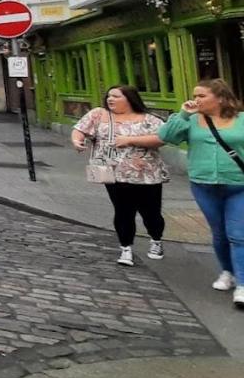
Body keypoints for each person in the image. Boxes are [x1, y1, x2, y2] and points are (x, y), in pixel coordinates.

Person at [120, 79, 244, 308]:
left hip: (238, 184)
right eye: (195, 95)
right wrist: (183, 115)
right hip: (204, 183)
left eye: (202, 96)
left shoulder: (241, 120)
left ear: (220, 97)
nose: (196, 100)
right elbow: (165, 136)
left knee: (237, 234)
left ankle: (242, 285)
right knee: (219, 232)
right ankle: (227, 271)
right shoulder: (192, 121)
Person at [71, 85, 169, 266]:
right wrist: (77, 141)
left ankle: (156, 240)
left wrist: (130, 140)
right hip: (114, 174)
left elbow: (162, 138)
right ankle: (126, 248)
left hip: (147, 175)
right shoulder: (99, 114)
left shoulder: (149, 119)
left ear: (130, 99)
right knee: (123, 211)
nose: (110, 99)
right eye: (109, 96)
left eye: (116, 96)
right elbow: (80, 129)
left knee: (151, 212)